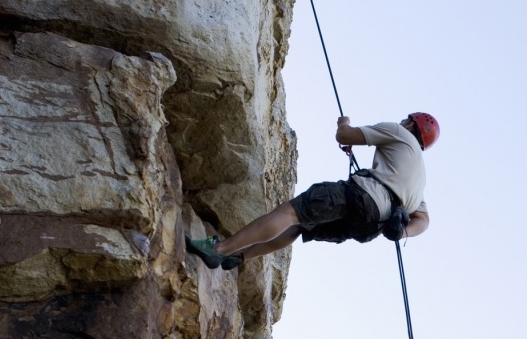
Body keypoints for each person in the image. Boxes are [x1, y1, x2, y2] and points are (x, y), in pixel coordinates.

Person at [185, 112, 440, 269]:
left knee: (291, 214)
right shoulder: (421, 178)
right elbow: (424, 220)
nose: (402, 121)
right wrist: (402, 232)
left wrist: (344, 122)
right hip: (369, 228)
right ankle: (240, 257)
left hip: (361, 198)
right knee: (298, 228)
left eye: (406, 119)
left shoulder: (398, 132)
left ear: (410, 125)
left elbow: (345, 135)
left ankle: (219, 250)